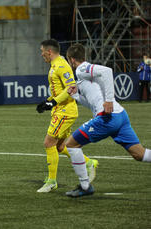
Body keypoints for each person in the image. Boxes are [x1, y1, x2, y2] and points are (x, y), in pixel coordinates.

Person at [65, 43, 151, 197]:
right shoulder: (85, 77)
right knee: (139, 154)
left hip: (107, 118)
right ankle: (84, 186)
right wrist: (76, 95)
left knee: (71, 144)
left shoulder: (81, 68)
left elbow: (107, 71)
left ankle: (85, 187)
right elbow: (92, 102)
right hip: (120, 115)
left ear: (71, 60)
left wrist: (109, 100)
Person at [36, 39, 97, 193]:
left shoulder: (61, 65)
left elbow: (71, 87)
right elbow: (59, 89)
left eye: (42, 51)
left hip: (65, 111)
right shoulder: (56, 64)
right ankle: (88, 163)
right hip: (61, 109)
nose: (41, 54)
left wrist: (53, 102)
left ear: (49, 51)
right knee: (61, 146)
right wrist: (48, 101)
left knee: (48, 143)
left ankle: (51, 181)